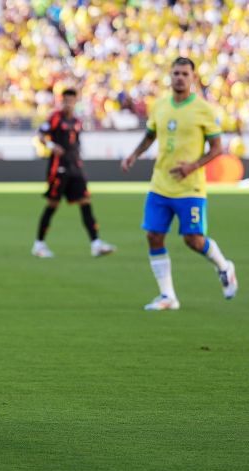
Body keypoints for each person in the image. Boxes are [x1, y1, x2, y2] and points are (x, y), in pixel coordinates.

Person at [121, 57, 238, 310]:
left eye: (185, 74)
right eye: (175, 73)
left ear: (193, 77)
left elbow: (217, 148)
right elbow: (150, 135)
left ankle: (224, 267)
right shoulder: (160, 106)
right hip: (160, 184)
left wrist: (192, 166)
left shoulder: (204, 110)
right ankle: (168, 296)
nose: (179, 78)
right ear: (170, 76)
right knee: (153, 236)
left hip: (190, 188)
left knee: (193, 240)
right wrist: (133, 155)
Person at [32, 89, 116, 258]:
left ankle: (96, 243)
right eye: (66, 101)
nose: (68, 104)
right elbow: (40, 134)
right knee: (52, 204)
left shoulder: (77, 122)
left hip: (75, 168)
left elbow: (75, 144)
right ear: (61, 101)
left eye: (71, 101)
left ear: (75, 102)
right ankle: (39, 244)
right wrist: (51, 146)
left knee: (85, 201)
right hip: (59, 168)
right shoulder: (55, 118)